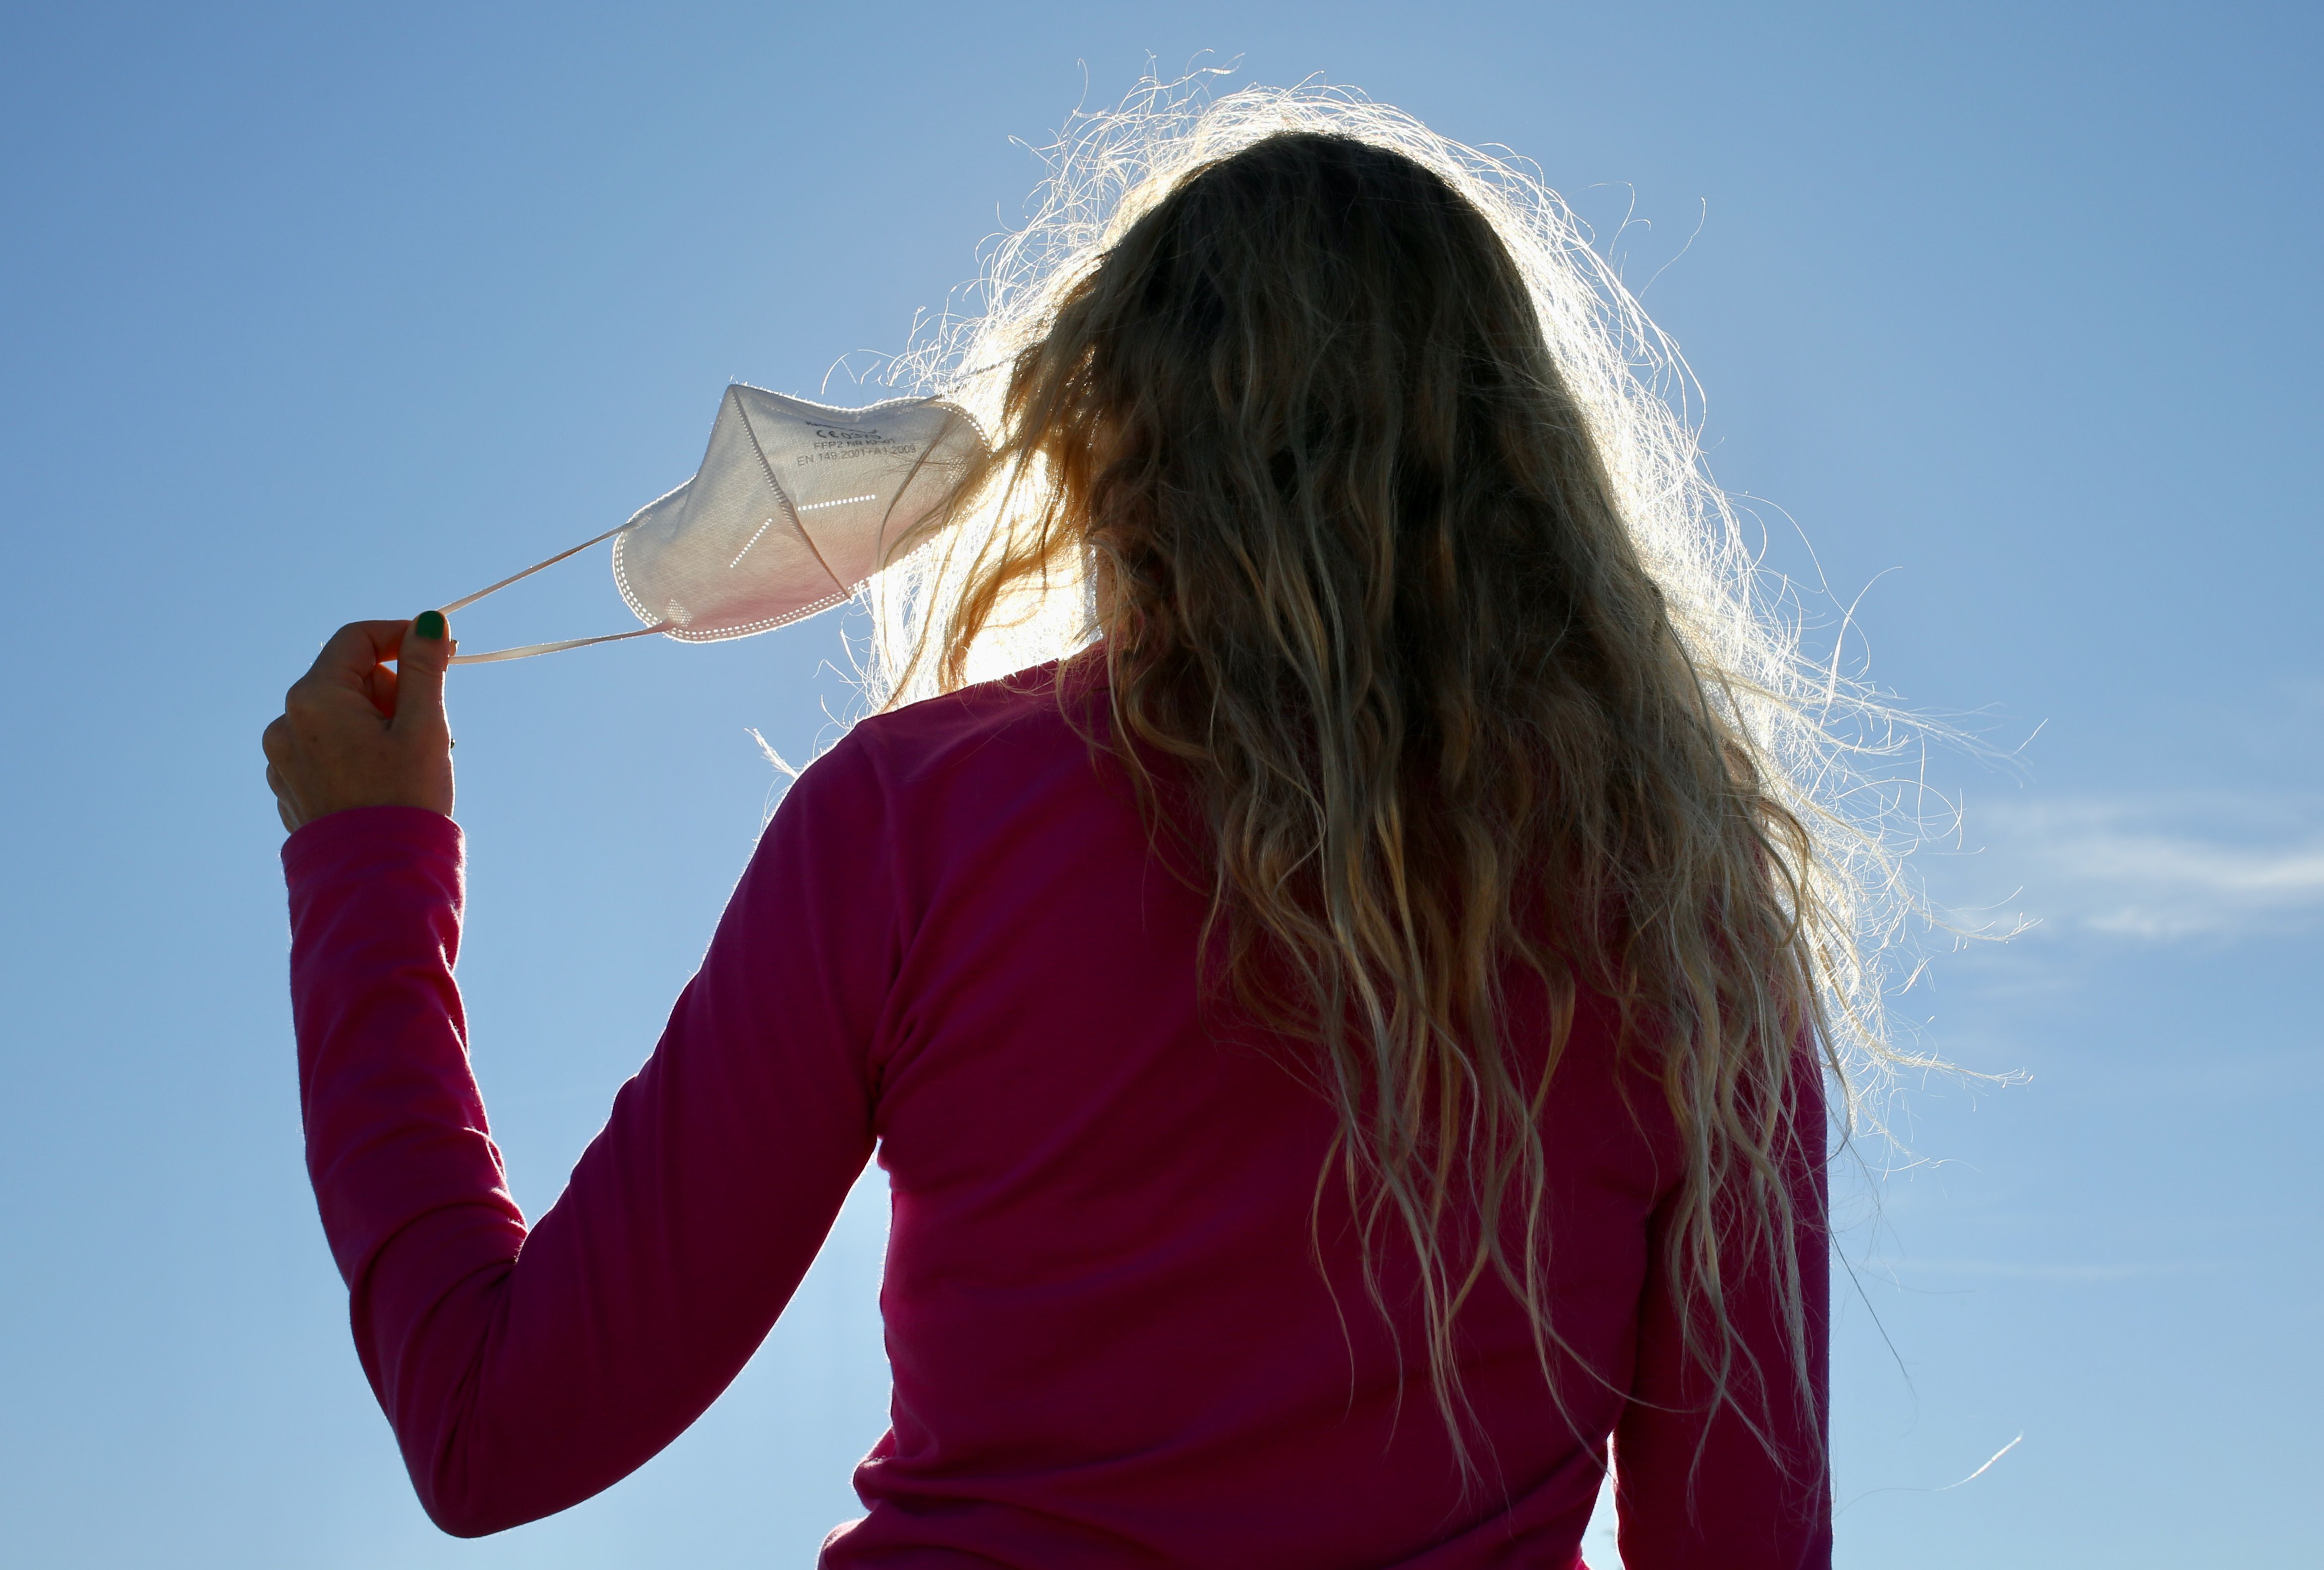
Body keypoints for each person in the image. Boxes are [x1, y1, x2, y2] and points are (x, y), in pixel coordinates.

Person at [265, 103, 1856, 1569]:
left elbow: (496, 1426)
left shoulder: (916, 821)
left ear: (1107, 435)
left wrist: (367, 865)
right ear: (1525, 471)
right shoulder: (1690, 930)